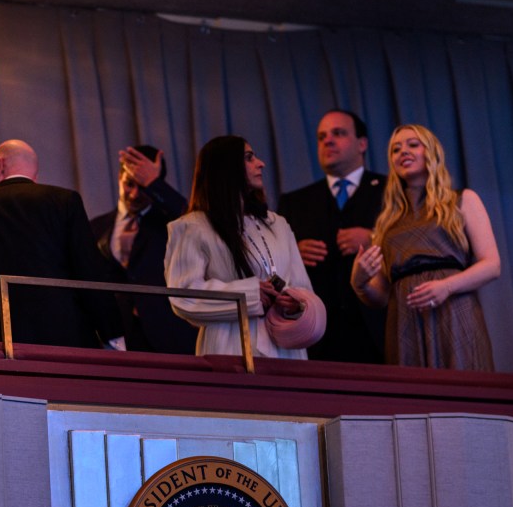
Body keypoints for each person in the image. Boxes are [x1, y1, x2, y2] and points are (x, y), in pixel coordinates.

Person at [0, 139, 119, 348]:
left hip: (1, 346)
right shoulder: (65, 202)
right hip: (68, 341)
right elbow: (89, 272)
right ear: (33, 173)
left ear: (0, 164)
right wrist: (112, 335)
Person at [351, 124, 499, 370]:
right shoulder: (388, 221)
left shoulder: (462, 199)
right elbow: (381, 295)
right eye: (396, 149)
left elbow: (492, 265)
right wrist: (360, 282)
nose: (403, 152)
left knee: (462, 389)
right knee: (415, 397)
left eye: (413, 144)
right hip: (405, 322)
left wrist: (446, 287)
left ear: (432, 152)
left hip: (453, 312)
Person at [164, 135, 319, 360]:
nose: (260, 163)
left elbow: (304, 287)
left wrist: (295, 303)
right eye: (249, 158)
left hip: (286, 351)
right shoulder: (192, 227)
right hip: (230, 349)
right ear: (226, 167)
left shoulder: (278, 224)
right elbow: (183, 295)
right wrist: (249, 294)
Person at [278, 109, 386, 363]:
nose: (328, 141)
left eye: (338, 133)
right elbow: (268, 264)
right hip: (314, 339)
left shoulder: (393, 192)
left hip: (378, 333)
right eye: (321, 136)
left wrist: (375, 239)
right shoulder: (293, 202)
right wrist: (292, 253)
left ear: (362, 143)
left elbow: (413, 247)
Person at [90, 145, 197, 354]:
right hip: (116, 338)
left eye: (143, 186)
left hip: (169, 336)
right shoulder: (96, 227)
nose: (135, 193)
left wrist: (156, 185)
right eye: (129, 184)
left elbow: (197, 223)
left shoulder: (173, 222)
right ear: (119, 178)